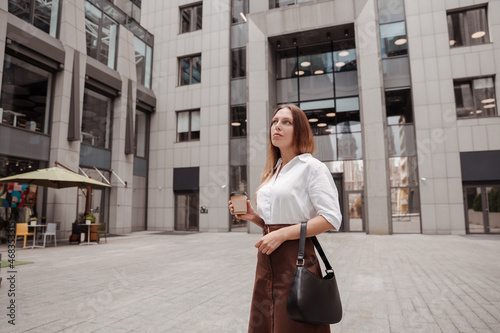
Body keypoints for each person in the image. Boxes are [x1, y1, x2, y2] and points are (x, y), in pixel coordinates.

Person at [229, 104, 342, 333]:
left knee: (292, 323)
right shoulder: (274, 170)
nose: (277, 126)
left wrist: (282, 234)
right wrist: (256, 217)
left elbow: (331, 218)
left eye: (286, 122)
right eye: (274, 121)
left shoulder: (312, 168)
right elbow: (280, 217)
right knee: (268, 322)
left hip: (295, 257)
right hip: (268, 257)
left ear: (299, 130)